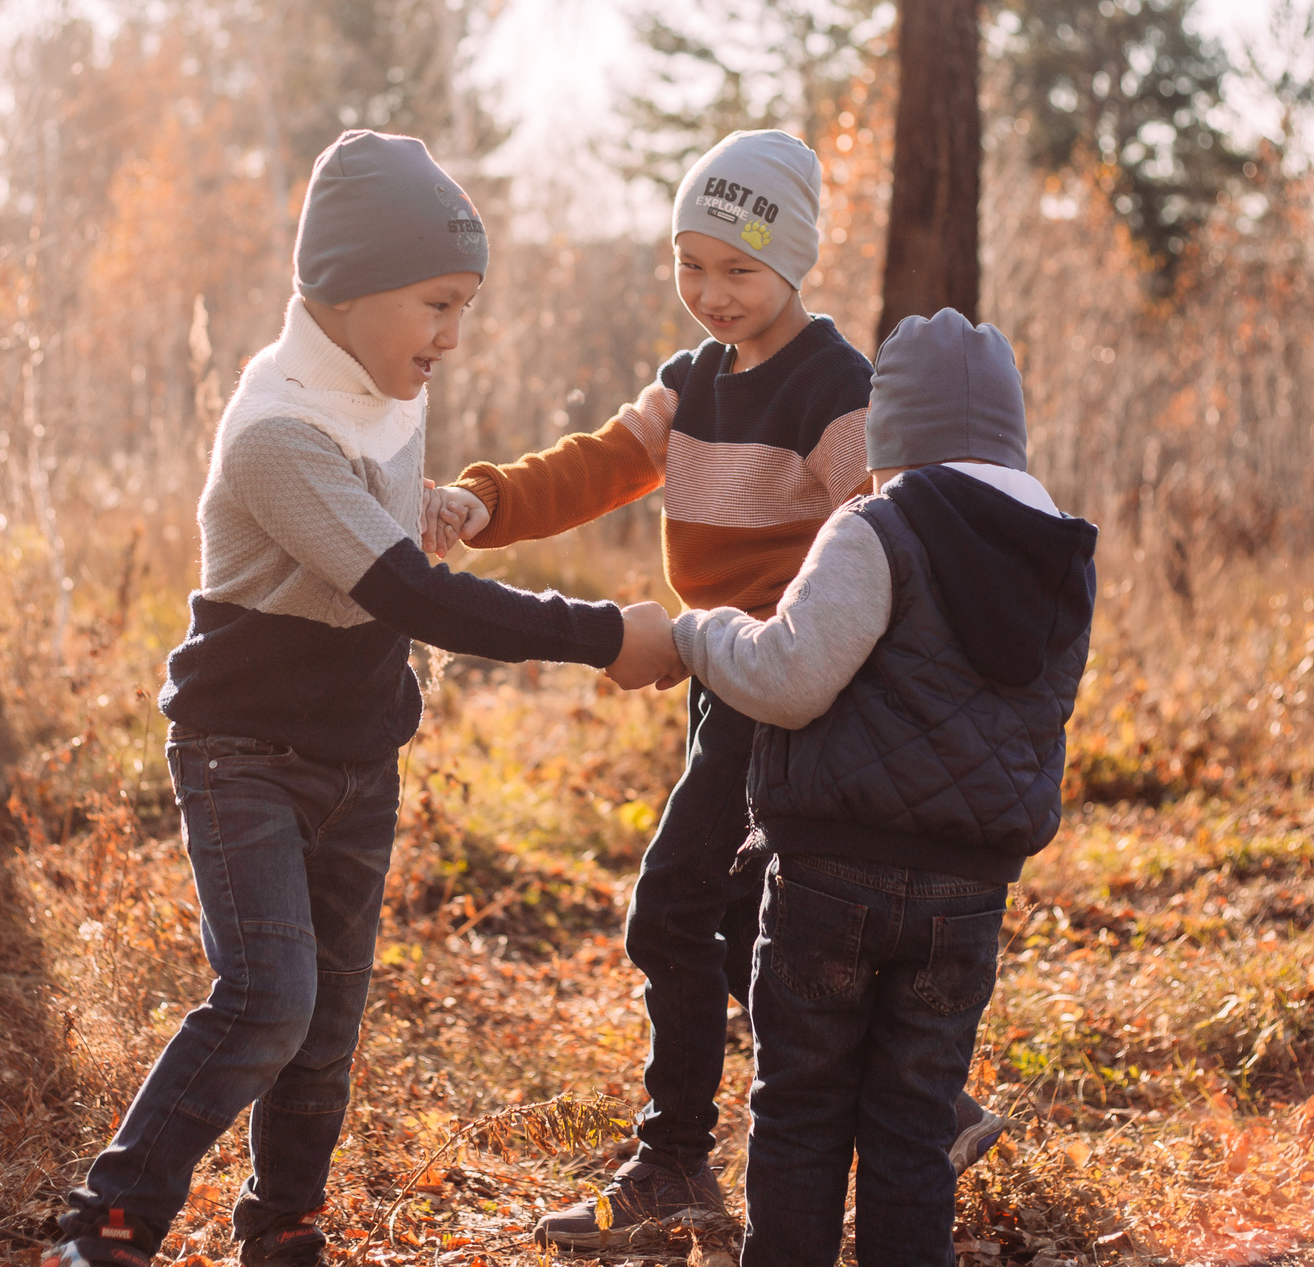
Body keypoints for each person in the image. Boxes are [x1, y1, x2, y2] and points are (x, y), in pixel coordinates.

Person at [53, 130, 677, 1267]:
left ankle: (284, 1223)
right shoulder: (277, 430)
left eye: (463, 307)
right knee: (268, 998)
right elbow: (409, 595)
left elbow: (377, 537)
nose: (451, 336)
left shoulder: (379, 388)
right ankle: (111, 1220)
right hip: (244, 753)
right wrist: (605, 635)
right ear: (345, 290)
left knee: (329, 1020)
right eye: (436, 305)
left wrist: (437, 506)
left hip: (357, 753)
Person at [427, 132, 997, 1248]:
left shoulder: (836, 389)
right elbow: (598, 463)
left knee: (672, 908)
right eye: (691, 264)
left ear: (793, 261)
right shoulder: (691, 384)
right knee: (743, 922)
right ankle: (931, 1111)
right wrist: (484, 503)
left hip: (791, 689)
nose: (713, 291)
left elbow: (896, 530)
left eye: (739, 268)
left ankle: (675, 1160)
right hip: (719, 679)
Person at [662, 309, 1099, 1267]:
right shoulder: (1061, 559)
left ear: (890, 436)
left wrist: (700, 630)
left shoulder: (876, 527)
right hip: (968, 895)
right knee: (912, 1127)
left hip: (833, 877)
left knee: (802, 1111)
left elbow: (789, 675)